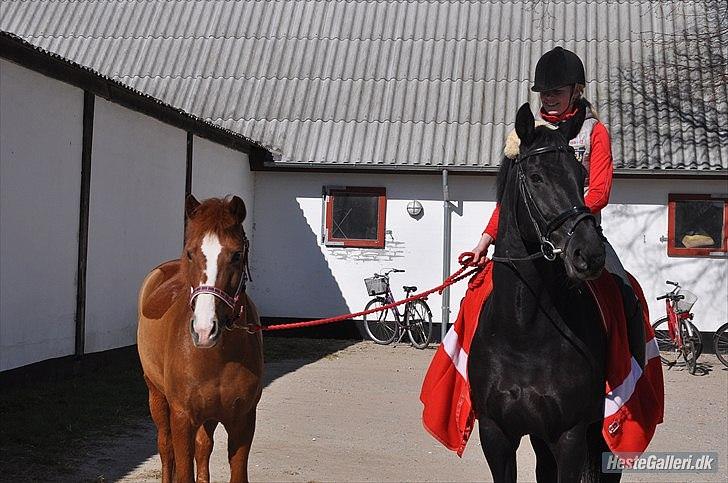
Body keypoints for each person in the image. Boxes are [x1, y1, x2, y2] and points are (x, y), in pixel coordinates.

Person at [471, 46, 645, 366]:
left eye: (556, 92)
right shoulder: (526, 136)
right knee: (476, 295)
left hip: (578, 235)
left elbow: (600, 191)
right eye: (543, 92)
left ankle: (633, 376)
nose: (548, 98)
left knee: (625, 293)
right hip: (535, 240)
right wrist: (485, 239)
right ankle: (473, 377)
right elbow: (512, 198)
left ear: (577, 91)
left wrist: (568, 218)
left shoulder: (595, 132)